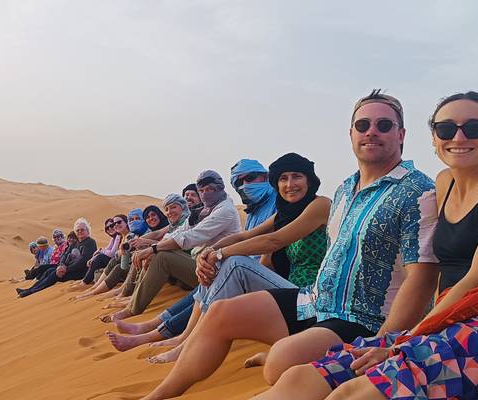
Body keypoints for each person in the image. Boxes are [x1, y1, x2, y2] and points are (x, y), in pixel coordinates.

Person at [140, 90, 440, 400]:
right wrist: (214, 252)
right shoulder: (346, 189)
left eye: (384, 125)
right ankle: (158, 395)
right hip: (316, 301)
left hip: (364, 319)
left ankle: (283, 355)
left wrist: (383, 342)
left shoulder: (417, 191)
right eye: (363, 125)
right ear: (351, 133)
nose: (371, 132)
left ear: (401, 134)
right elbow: (257, 239)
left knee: (280, 363)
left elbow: (423, 277)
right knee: (220, 313)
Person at [256, 91, 478, 400]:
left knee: (353, 392)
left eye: (473, 128)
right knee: (300, 378)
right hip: (444, 318)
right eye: (445, 129)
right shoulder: (445, 182)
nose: (458, 136)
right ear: (433, 138)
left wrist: (400, 341)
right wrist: (402, 338)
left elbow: (477, 279)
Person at [109, 154, 326, 358]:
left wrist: (220, 253)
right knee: (219, 266)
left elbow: (274, 240)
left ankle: (189, 343)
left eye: (297, 176)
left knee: (234, 264)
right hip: (290, 290)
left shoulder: (320, 205)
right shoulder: (284, 212)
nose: (290, 184)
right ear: (276, 184)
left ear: (309, 180)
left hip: (312, 299)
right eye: (283, 178)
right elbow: (245, 235)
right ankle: (184, 338)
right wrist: (211, 252)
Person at [105, 170, 242, 322]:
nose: (204, 194)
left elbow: (190, 237)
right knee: (154, 253)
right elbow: (175, 234)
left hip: (217, 270)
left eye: (209, 189)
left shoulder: (225, 210)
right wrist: (152, 248)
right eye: (201, 190)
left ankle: (131, 309)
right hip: (201, 265)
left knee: (161, 256)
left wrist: (153, 248)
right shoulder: (203, 211)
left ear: (220, 188)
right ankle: (131, 299)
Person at [17, 219, 97, 297]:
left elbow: (82, 261)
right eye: (78, 230)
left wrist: (66, 269)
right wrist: (61, 265)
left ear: (87, 230)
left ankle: (31, 291)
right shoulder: (76, 243)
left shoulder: (90, 242)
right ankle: (29, 289)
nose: (80, 232)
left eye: (82, 230)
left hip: (80, 272)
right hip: (68, 269)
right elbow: (64, 255)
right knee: (49, 271)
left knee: (54, 274)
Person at [77, 218, 120, 286]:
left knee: (100, 258)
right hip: (114, 261)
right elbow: (107, 249)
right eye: (107, 228)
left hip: (118, 262)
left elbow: (112, 253)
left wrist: (100, 251)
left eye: (111, 226)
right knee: (97, 258)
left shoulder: (118, 236)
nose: (109, 229)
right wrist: (94, 257)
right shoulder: (113, 238)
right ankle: (86, 279)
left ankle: (85, 281)